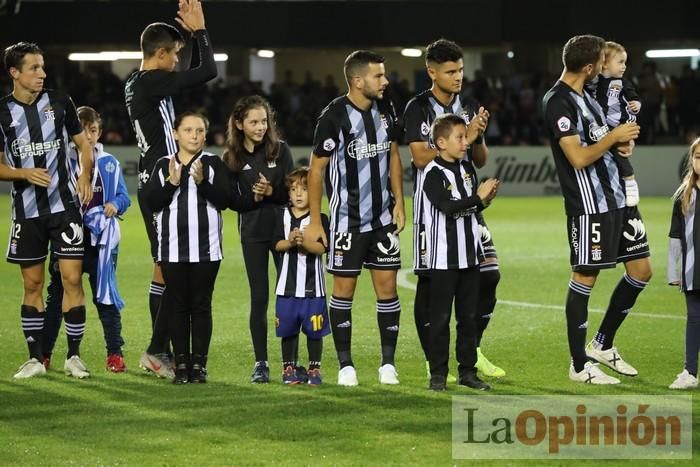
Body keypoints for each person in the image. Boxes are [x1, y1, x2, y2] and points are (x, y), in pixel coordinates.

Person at [542, 35, 651, 385]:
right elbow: (577, 157)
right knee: (585, 277)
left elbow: (602, 138)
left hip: (617, 197)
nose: (603, 69)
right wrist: (612, 137)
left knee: (642, 269)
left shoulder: (587, 96)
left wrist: (622, 142)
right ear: (589, 67)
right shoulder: (558, 101)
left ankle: (602, 344)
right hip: (590, 205)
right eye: (600, 63)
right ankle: (578, 365)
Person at [402, 38, 504, 382]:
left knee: (488, 274)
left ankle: (470, 352)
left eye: (460, 70)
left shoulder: (470, 103)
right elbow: (418, 158)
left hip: (469, 203)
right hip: (434, 211)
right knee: (432, 287)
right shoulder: (417, 107)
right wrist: (463, 138)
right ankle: (434, 360)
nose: (458, 76)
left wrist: (475, 136)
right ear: (432, 72)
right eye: (450, 71)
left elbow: (479, 157)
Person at [124, 0, 217, 375]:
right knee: (173, 271)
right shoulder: (151, 81)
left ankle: (158, 350)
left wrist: (191, 40)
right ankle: (156, 349)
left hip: (153, 181)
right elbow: (207, 71)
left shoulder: (136, 81)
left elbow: (193, 71)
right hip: (163, 182)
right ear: (160, 53)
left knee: (163, 269)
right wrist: (200, 33)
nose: (177, 61)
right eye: (175, 54)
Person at [306, 50, 406, 386]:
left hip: (382, 220)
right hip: (347, 221)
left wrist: (399, 203)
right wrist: (316, 221)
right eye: (379, 76)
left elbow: (393, 154)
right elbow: (316, 169)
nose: (385, 81)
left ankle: (387, 364)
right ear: (357, 80)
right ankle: (346, 365)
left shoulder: (387, 109)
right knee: (344, 291)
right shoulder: (333, 116)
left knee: (388, 289)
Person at [0, 42, 93, 379]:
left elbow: (83, 144)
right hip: (27, 212)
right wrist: (23, 173)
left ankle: (74, 356)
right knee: (33, 284)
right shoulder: (2, 112)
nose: (42, 74)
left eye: (42, 67)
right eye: (33, 68)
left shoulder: (59, 101)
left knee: (71, 279)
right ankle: (34, 359)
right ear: (15, 73)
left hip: (64, 207)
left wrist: (84, 173)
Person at [142, 111, 231, 384]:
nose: (195, 135)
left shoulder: (213, 163)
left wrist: (203, 183)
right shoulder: (162, 165)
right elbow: (151, 202)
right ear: (176, 133)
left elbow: (225, 199)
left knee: (201, 306)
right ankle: (181, 365)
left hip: (207, 249)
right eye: (189, 130)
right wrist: (171, 182)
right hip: (172, 249)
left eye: (200, 131)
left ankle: (199, 366)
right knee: (178, 306)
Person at [42, 106, 131, 373]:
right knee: (58, 298)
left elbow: (124, 197)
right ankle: (46, 354)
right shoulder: (61, 163)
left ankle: (115, 354)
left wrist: (115, 204)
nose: (89, 137)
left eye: (93, 131)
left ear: (99, 132)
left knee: (105, 298)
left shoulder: (110, 163)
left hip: (100, 244)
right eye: (83, 131)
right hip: (67, 240)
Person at [423, 114, 499, 391]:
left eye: (465, 137)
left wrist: (484, 201)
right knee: (441, 319)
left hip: (470, 256)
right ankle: (438, 375)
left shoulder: (466, 170)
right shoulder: (432, 174)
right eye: (460, 137)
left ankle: (468, 372)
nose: (466, 143)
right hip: (444, 260)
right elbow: (447, 207)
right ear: (441, 142)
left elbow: (470, 208)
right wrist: (478, 198)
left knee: (468, 318)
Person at [222, 95, 294, 383]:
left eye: (264, 121)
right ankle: (261, 363)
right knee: (259, 299)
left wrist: (270, 194)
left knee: (288, 297)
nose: (261, 126)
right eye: (253, 121)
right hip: (251, 235)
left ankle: (289, 362)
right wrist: (254, 198)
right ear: (239, 124)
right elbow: (233, 202)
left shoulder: (281, 150)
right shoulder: (232, 158)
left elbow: (292, 193)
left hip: (282, 235)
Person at [273, 168, 330, 385]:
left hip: (313, 288)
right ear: (288, 193)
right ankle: (289, 368)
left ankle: (314, 369)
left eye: (305, 189)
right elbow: (276, 244)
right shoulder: (281, 215)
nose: (298, 194)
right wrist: (289, 241)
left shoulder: (320, 219)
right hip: (286, 289)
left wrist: (304, 242)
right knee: (288, 330)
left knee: (314, 331)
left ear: (315, 193)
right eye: (294, 189)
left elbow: (322, 248)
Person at [591, 41, 642, 207]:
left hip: (618, 125)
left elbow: (633, 97)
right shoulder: (593, 81)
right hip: (600, 127)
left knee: (621, 154)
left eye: (625, 62)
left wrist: (637, 104)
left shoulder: (622, 83)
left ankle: (630, 183)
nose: (624, 66)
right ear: (604, 63)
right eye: (620, 62)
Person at [668, 137, 700, 389]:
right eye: (698, 157)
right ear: (691, 160)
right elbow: (675, 235)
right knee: (694, 318)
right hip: (692, 270)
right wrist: (672, 270)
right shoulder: (684, 194)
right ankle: (689, 372)